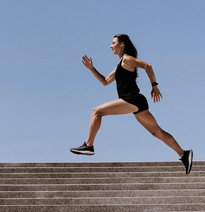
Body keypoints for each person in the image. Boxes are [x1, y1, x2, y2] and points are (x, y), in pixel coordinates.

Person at [70, 34, 193, 174]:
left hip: (131, 99)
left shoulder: (127, 59)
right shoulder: (120, 65)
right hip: (138, 102)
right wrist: (91, 68)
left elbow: (147, 66)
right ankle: (184, 154)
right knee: (156, 132)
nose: (111, 46)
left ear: (122, 44)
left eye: (113, 43)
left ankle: (89, 146)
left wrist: (154, 86)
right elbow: (105, 81)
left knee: (96, 111)